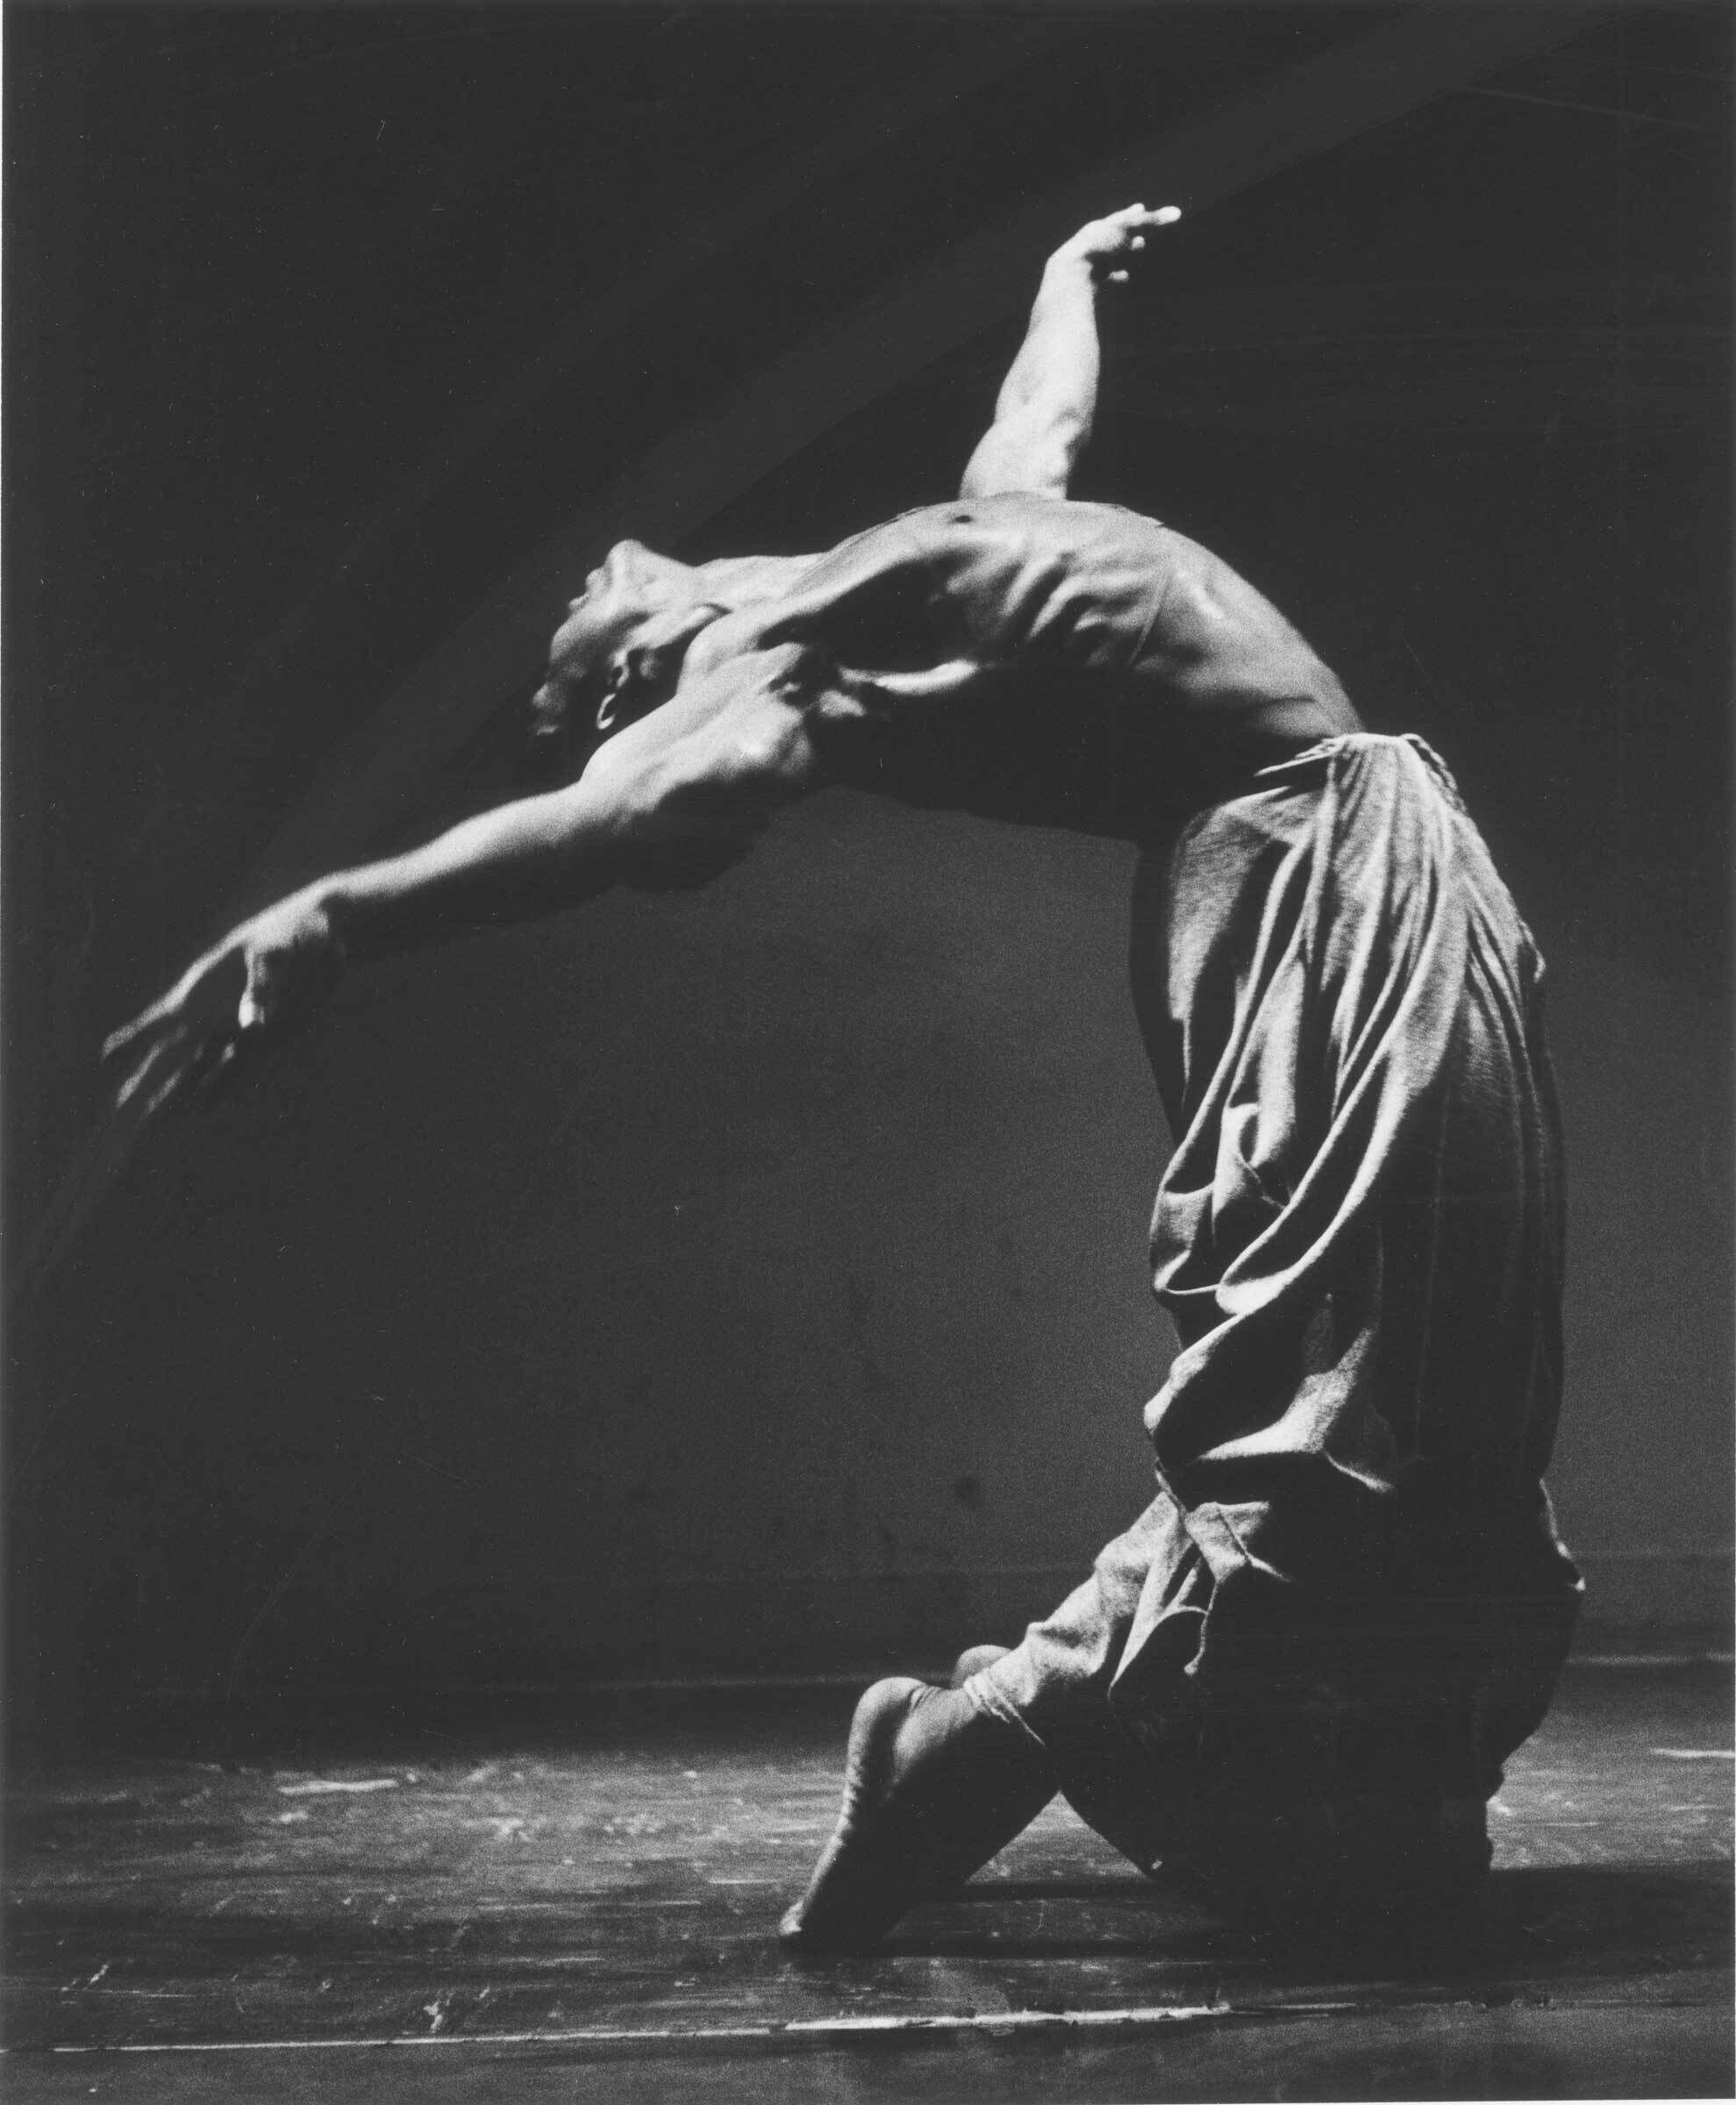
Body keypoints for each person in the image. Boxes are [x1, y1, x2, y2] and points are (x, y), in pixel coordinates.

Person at [107, 204, 1581, 1953]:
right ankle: (987, 1744)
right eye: (565, 648)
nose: (580, 588)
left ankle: (1307, 1783)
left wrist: (1062, 282)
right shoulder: (766, 676)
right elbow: (610, 823)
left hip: (1359, 843)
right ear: (625, 688)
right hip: (1301, 872)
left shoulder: (878, 580)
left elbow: (1030, 447)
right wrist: (331, 912)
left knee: (1451, 1347)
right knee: (1361, 1360)